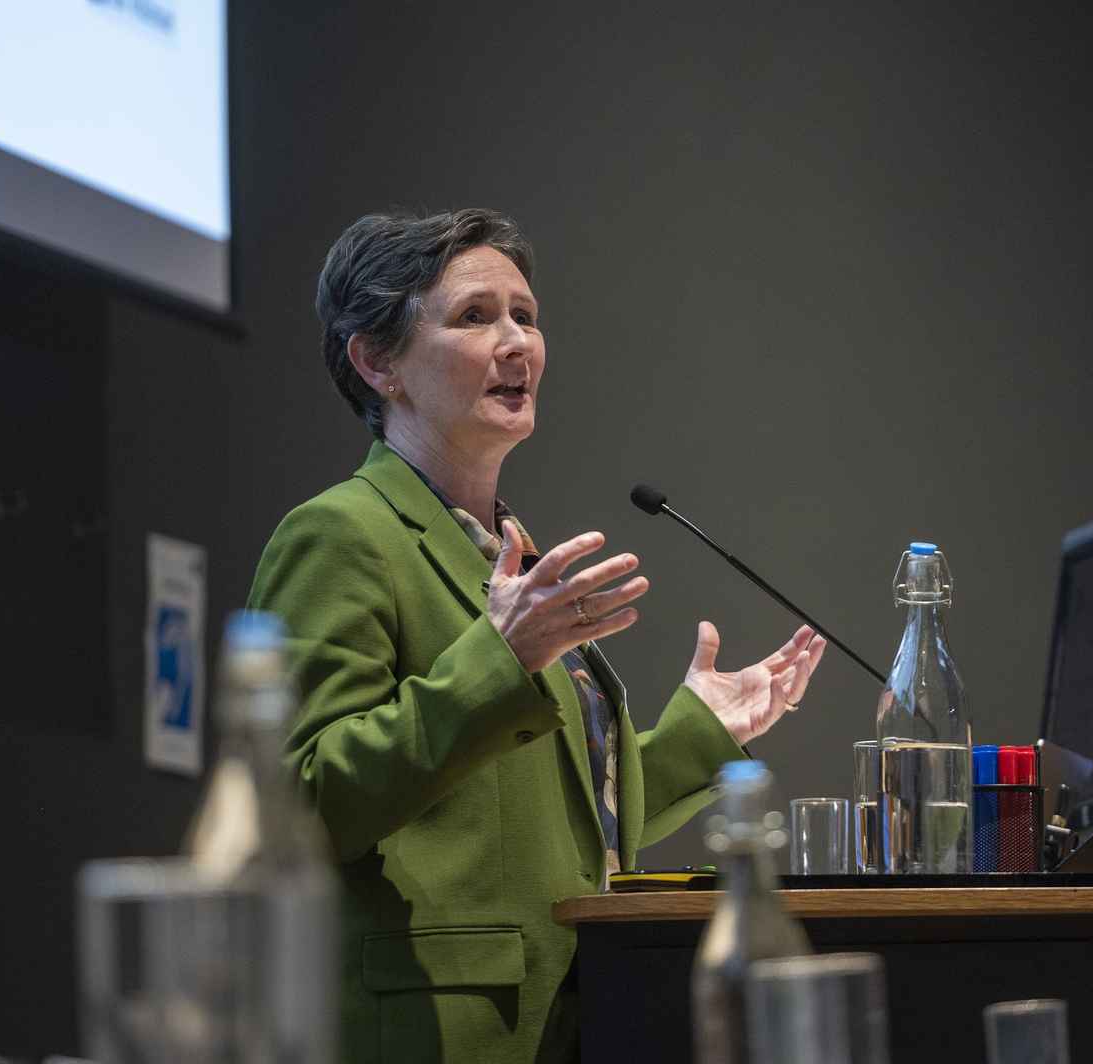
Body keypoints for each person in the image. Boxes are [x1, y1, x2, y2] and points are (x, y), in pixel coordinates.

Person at [246, 207, 826, 1063]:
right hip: (439, 1033)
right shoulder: (341, 534)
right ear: (377, 362)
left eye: (526, 314)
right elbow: (298, 803)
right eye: (476, 317)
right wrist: (499, 660)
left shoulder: (505, 552)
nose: (518, 341)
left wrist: (708, 732)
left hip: (572, 1018)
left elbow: (554, 817)